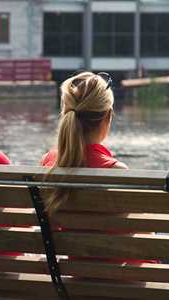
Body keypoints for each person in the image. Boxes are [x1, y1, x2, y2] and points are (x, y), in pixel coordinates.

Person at [41, 71, 127, 212]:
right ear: (107, 117)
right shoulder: (116, 171)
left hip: (57, 235)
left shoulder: (47, 162)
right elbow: (140, 229)